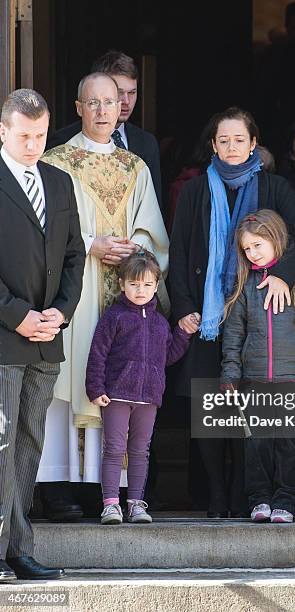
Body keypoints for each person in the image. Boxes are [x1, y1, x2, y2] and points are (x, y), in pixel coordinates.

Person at [169, 106, 295, 517]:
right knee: (210, 405)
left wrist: (284, 276)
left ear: (254, 143)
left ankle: (249, 495)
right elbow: (178, 250)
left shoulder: (274, 187)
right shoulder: (197, 189)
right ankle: (216, 496)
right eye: (223, 140)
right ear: (213, 146)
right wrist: (182, 306)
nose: (231, 147)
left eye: (239, 139)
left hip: (257, 315)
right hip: (207, 317)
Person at [37, 72, 169, 521]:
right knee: (72, 376)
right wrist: (91, 242)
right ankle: (60, 484)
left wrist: (134, 245)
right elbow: (46, 228)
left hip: (123, 288)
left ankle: (110, 491)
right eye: (91, 103)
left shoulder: (136, 167)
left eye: (108, 103)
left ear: (121, 108)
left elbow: (153, 231)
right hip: (79, 284)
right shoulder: (55, 161)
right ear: (78, 107)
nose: (100, 112)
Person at [0, 89, 85, 580]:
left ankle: (18, 547)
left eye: (40, 135)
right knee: (2, 442)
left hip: (47, 335)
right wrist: (17, 315)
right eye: (24, 136)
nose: (33, 145)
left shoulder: (58, 181)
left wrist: (61, 311)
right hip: (5, 335)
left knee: (30, 439)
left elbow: (74, 255)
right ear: (4, 131)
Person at [221, 210, 295, 523]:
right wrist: (230, 376)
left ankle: (286, 499)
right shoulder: (246, 284)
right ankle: (260, 499)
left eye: (258, 244)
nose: (252, 253)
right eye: (247, 249)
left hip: (292, 380)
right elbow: (234, 334)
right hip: (254, 379)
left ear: (276, 239)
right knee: (256, 444)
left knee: (287, 444)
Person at [85, 252, 193, 524]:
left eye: (147, 285)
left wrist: (181, 333)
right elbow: (98, 353)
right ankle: (110, 504)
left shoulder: (159, 323)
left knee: (140, 451)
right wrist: (95, 387)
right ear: (122, 284)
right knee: (113, 449)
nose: (140, 290)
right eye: (134, 284)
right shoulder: (115, 317)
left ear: (156, 286)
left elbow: (167, 356)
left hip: (149, 398)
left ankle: (135, 503)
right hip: (117, 396)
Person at [46, 50, 162, 212]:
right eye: (119, 93)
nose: (126, 101)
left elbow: (153, 212)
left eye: (132, 93)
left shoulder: (147, 144)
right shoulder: (62, 144)